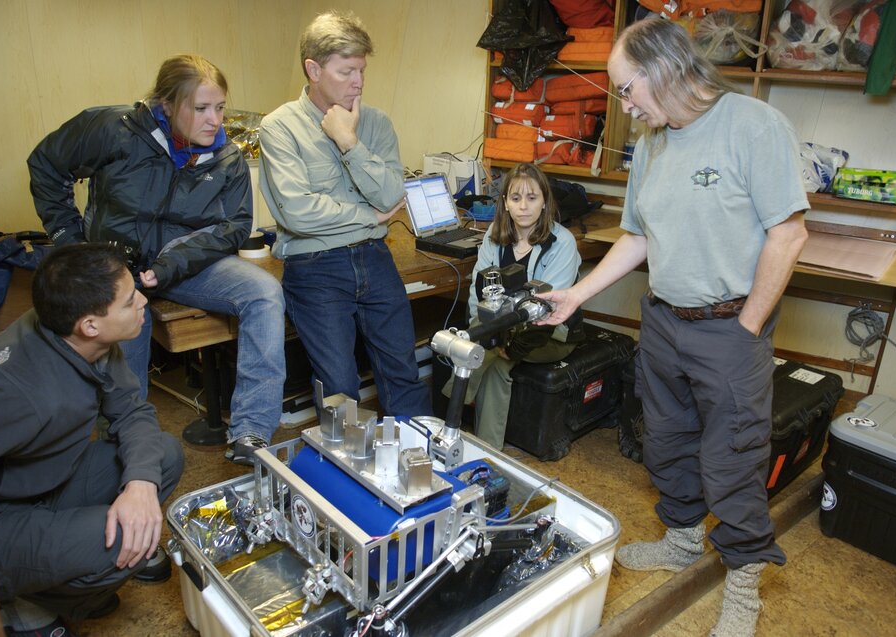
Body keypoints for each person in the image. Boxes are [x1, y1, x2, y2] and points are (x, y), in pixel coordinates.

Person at [537, 18, 809, 637]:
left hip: (729, 326)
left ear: (662, 70)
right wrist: (577, 293)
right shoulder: (655, 143)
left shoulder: (752, 125)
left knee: (733, 458)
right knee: (665, 439)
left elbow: (789, 233)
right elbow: (638, 234)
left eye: (627, 90)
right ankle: (684, 540)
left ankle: (743, 583)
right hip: (662, 319)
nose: (625, 106)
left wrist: (747, 328)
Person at [27, 54, 286, 465]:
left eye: (219, 107)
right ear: (166, 104)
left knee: (266, 292)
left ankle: (251, 431)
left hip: (184, 264)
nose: (215, 120)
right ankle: (120, 449)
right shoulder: (112, 129)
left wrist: (171, 264)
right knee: (126, 325)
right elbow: (45, 164)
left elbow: (234, 227)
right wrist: (69, 242)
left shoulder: (228, 157)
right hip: (116, 269)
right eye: (200, 109)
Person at [0, 243, 184, 637]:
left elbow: (131, 411)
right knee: (125, 540)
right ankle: (25, 601)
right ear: (90, 324)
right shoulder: (15, 394)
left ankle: (63, 571)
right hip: (2, 520)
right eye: (130, 301)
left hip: (49, 483)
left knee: (163, 454)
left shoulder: (81, 339)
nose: (143, 301)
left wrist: (140, 484)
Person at [258, 11, 431, 418]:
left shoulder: (376, 123)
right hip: (314, 266)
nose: (358, 82)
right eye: (346, 71)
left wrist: (349, 141)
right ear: (313, 69)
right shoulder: (279, 127)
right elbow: (298, 213)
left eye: (362, 70)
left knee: (403, 371)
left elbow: (392, 193)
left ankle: (416, 468)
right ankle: (345, 472)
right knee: (339, 387)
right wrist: (369, 217)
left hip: (374, 258)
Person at [445, 163, 583, 449]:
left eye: (532, 198)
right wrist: (482, 327)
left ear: (545, 202)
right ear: (505, 203)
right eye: (516, 198)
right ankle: (488, 455)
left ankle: (450, 406)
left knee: (475, 352)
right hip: (497, 329)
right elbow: (477, 291)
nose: (523, 207)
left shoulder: (563, 243)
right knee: (495, 364)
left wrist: (497, 338)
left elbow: (546, 308)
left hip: (548, 333)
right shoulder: (494, 235)